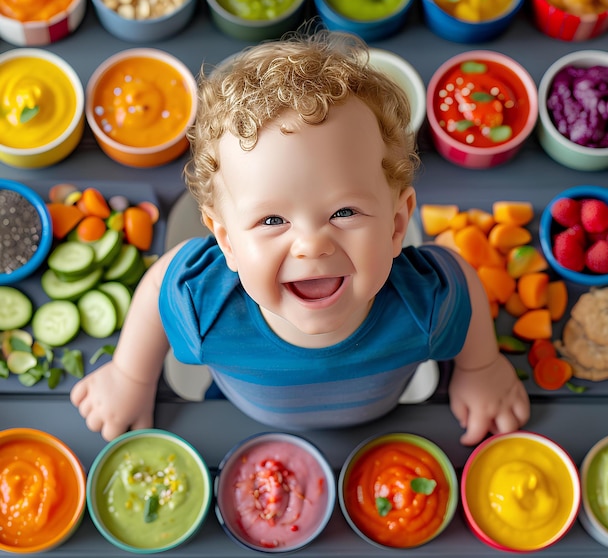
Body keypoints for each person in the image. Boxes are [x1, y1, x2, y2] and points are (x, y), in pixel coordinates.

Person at [70, 29, 529, 445]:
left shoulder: (424, 303)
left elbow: (462, 277)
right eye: (272, 220)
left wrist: (480, 368)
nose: (312, 245)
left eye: (344, 212)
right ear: (226, 241)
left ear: (394, 225)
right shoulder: (203, 306)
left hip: (382, 420)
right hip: (240, 416)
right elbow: (158, 286)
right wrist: (131, 375)